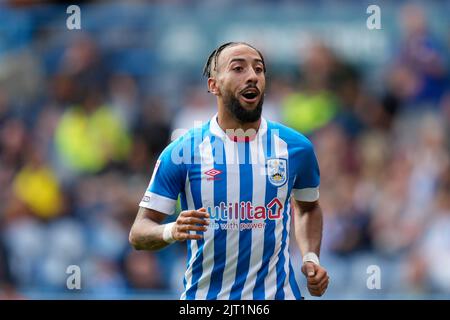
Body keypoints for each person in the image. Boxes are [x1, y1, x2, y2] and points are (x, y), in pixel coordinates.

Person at [129, 42, 329, 300]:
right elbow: (139, 232)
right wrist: (171, 230)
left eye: (259, 69)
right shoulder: (183, 151)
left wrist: (310, 256)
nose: (252, 76)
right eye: (238, 68)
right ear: (214, 85)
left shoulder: (296, 148)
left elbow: (308, 207)